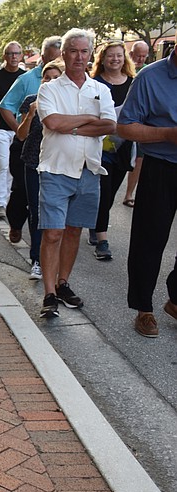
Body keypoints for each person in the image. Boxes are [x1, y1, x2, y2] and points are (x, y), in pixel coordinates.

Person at [36, 28, 116, 318]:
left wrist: (71, 126)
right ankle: (48, 294)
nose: (79, 56)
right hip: (56, 169)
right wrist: (86, 120)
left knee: (73, 231)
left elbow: (109, 125)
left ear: (90, 54)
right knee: (54, 232)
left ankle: (63, 283)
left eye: (84, 51)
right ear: (64, 54)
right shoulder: (50, 88)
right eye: (73, 50)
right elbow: (53, 122)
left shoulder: (100, 90)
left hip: (89, 170)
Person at [117, 47, 177, 338]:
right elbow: (126, 127)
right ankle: (144, 309)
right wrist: (167, 134)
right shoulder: (149, 77)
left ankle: (175, 298)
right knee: (149, 241)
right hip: (161, 167)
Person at [0, 36, 63, 247]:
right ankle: (16, 223)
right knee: (22, 193)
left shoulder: (68, 82)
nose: (58, 63)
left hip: (54, 151)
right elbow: (5, 106)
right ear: (43, 57)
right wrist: (20, 129)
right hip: (27, 147)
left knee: (44, 201)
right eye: (53, 58)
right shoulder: (27, 80)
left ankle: (45, 242)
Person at [16, 59, 66, 281]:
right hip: (33, 161)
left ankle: (55, 261)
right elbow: (21, 135)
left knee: (57, 216)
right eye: (47, 77)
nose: (51, 81)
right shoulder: (30, 101)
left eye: (56, 78)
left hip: (59, 163)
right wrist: (30, 113)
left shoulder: (67, 103)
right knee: (36, 211)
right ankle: (36, 259)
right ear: (41, 80)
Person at [88, 40, 136, 260]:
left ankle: (95, 223)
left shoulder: (134, 83)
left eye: (119, 55)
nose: (115, 59)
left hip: (124, 146)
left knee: (111, 193)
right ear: (102, 59)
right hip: (99, 146)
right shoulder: (94, 84)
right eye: (110, 56)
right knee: (103, 193)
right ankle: (102, 239)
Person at [0, 42, 26, 220]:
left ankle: (9, 200)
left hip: (20, 128)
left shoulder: (25, 77)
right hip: (0, 128)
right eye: (10, 53)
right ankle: (0, 202)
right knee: (2, 164)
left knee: (14, 166)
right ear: (4, 56)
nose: (13, 57)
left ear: (21, 55)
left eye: (16, 53)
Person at [123, 40, 151, 208]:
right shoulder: (125, 68)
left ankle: (129, 194)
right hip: (123, 121)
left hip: (141, 123)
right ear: (131, 54)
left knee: (139, 159)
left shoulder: (149, 71)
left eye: (143, 56)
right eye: (137, 55)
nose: (140, 59)